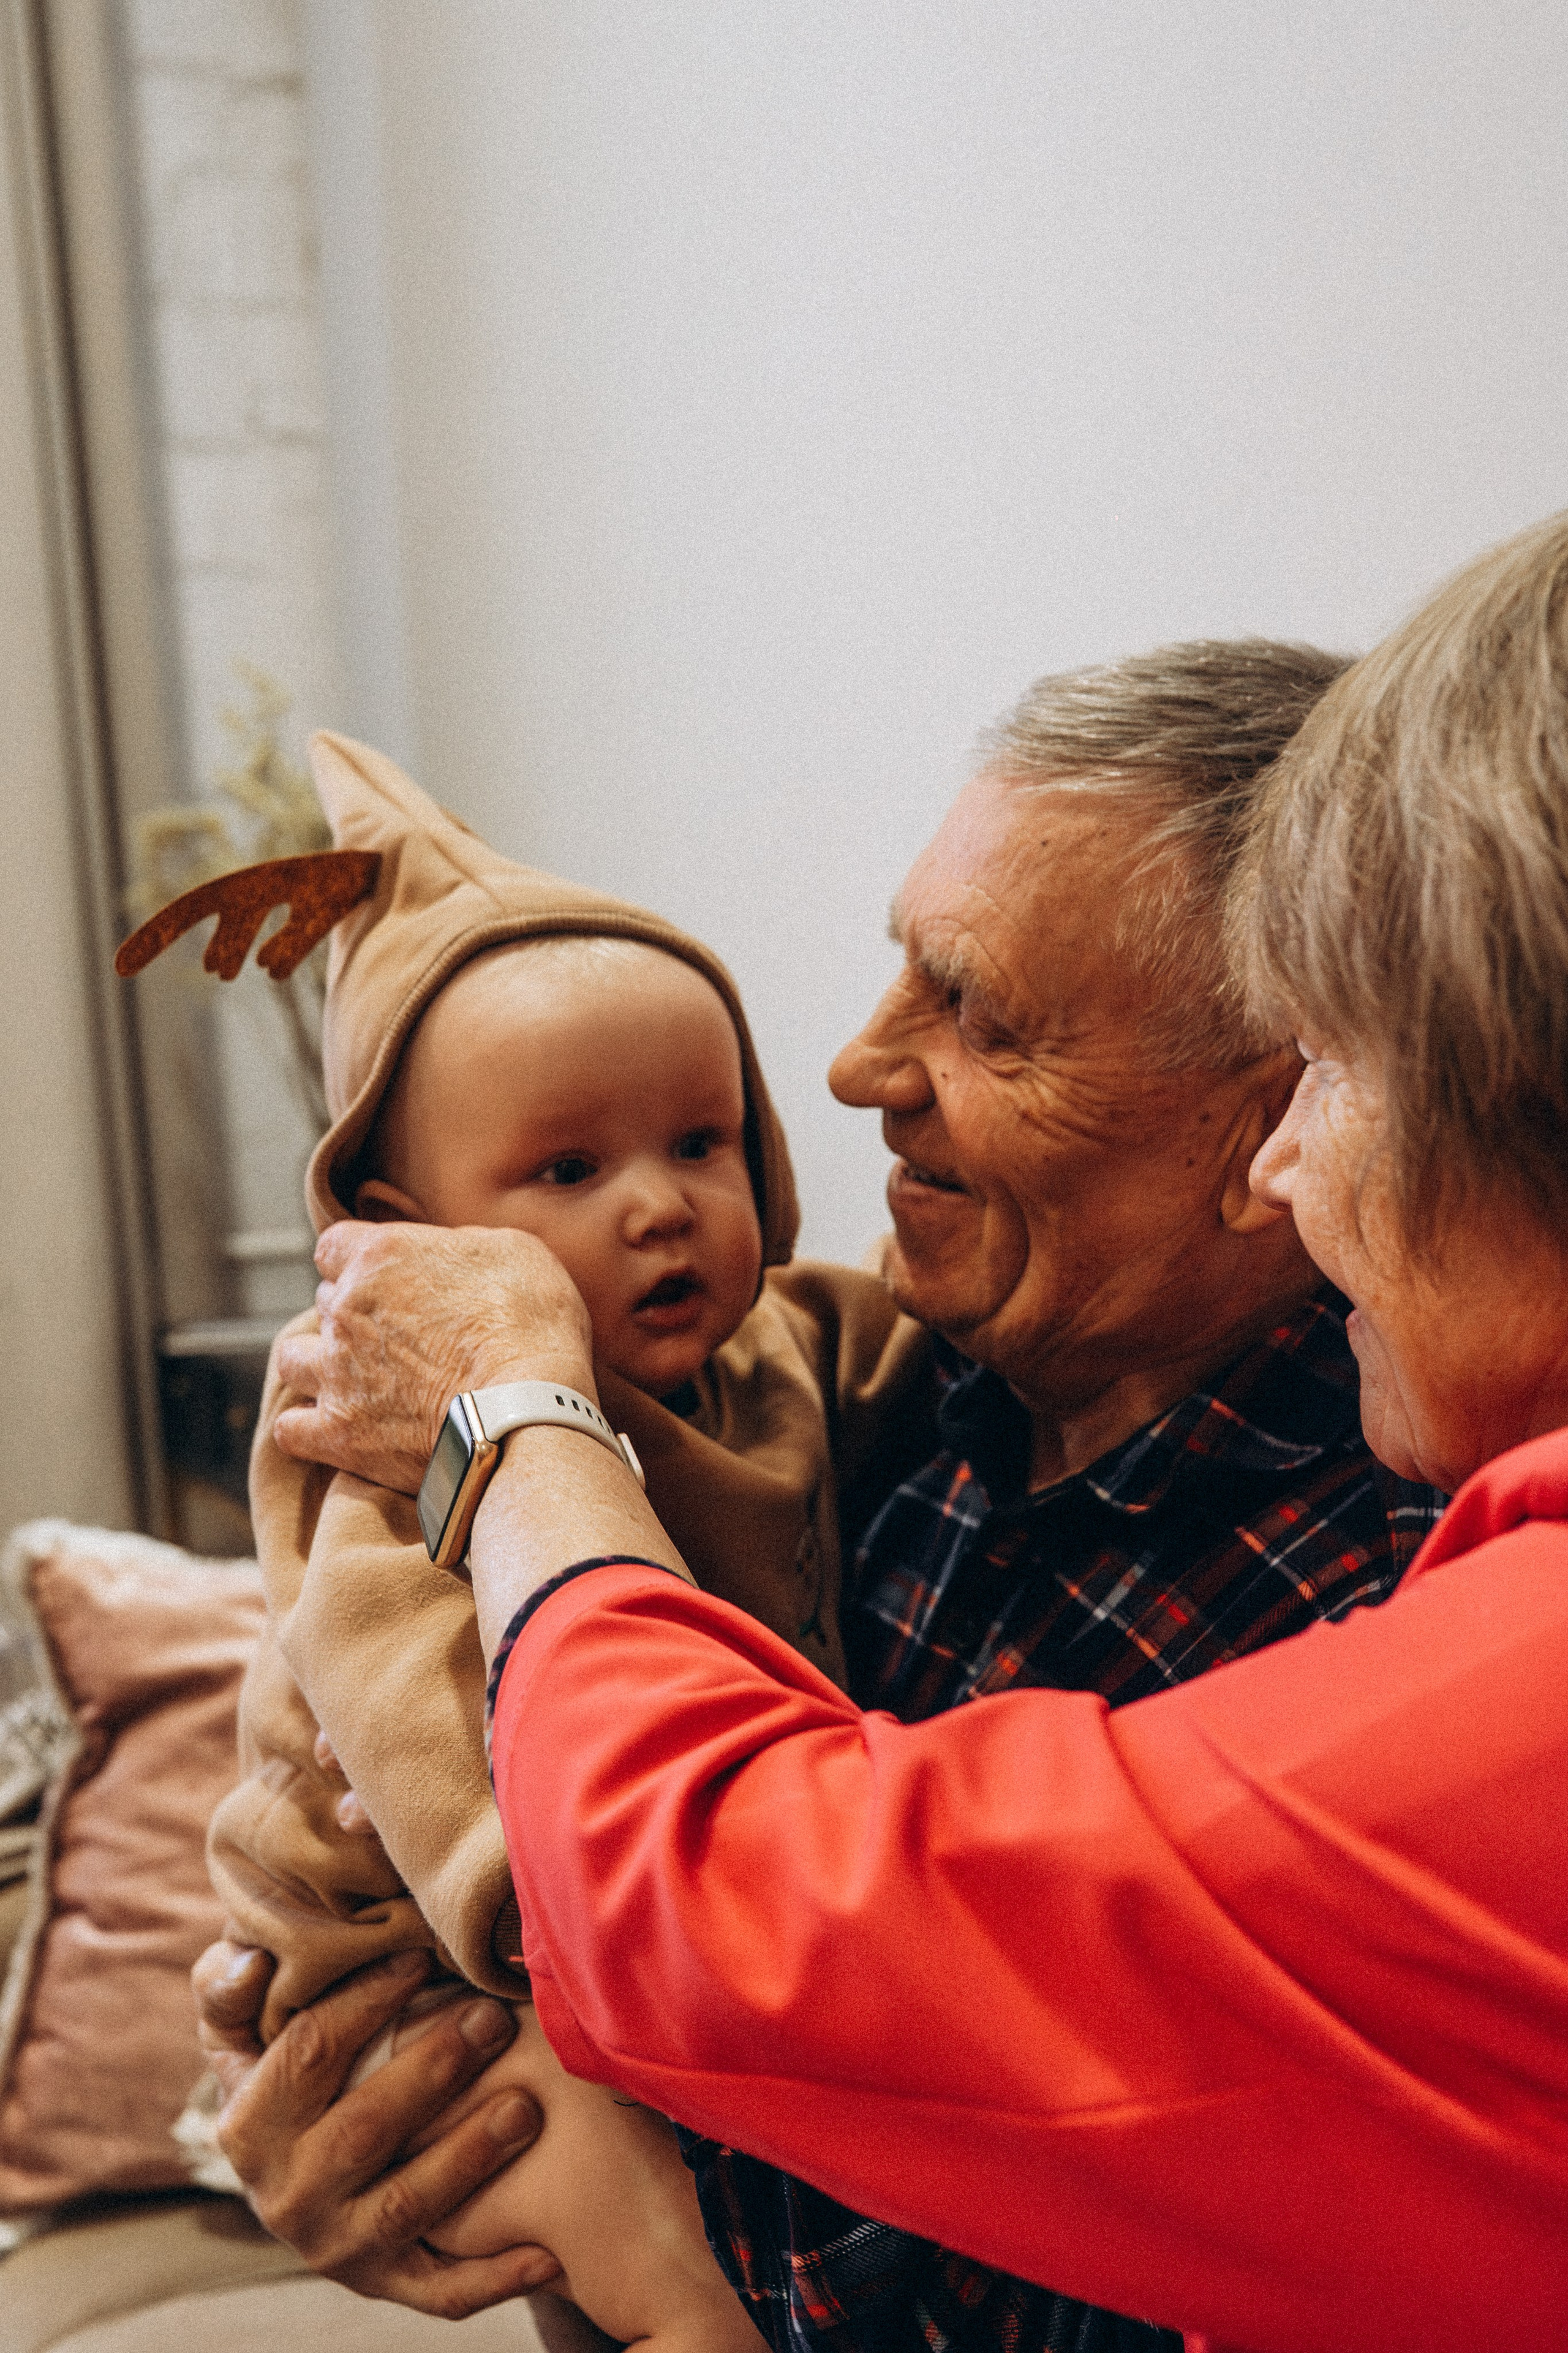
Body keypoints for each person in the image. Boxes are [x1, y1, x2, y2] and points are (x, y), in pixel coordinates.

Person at [203, 641, 1451, 2351]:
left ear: (1269, 1129)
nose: (856, 1068)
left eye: (978, 1013)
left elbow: (1033, 2290)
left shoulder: (1381, 1604)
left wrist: (637, 2160)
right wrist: (363, 2099)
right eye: (898, 975)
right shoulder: (891, 1388)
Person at [201, 731, 931, 2349]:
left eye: (700, 1141)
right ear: (408, 1236)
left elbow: (937, 1343)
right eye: (570, 1168)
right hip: (440, 1952)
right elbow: (413, 1706)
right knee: (662, 2260)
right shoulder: (380, 1464)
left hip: (655, 1932)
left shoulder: (784, 1354)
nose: (659, 1206)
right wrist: (544, 1911)